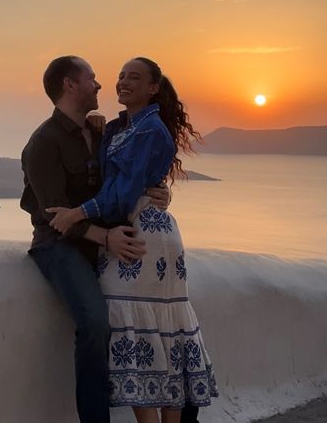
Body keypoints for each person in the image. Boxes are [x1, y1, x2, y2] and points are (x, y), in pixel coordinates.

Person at [47, 57, 218, 423]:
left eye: (134, 77)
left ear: (153, 88)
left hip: (142, 238)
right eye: (121, 75)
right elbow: (109, 178)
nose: (122, 82)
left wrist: (76, 213)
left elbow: (122, 195)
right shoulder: (119, 127)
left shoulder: (151, 130)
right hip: (134, 231)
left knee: (150, 332)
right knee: (151, 334)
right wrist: (98, 130)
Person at [20, 56, 172, 423]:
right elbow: (55, 216)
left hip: (105, 242)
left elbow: (126, 178)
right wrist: (105, 237)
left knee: (163, 321)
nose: (101, 84)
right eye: (92, 78)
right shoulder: (43, 143)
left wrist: (157, 191)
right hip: (60, 246)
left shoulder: (102, 131)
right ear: (70, 85)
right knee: (95, 324)